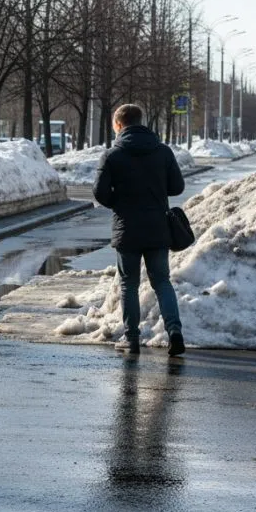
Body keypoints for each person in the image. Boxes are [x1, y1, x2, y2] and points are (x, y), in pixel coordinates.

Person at [94, 104, 185, 356]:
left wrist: (120, 203)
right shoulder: (163, 152)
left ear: (119, 125)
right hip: (157, 228)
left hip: (127, 230)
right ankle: (175, 332)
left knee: (129, 284)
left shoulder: (112, 155)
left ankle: (131, 338)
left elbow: (99, 192)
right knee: (162, 282)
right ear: (141, 122)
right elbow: (177, 187)